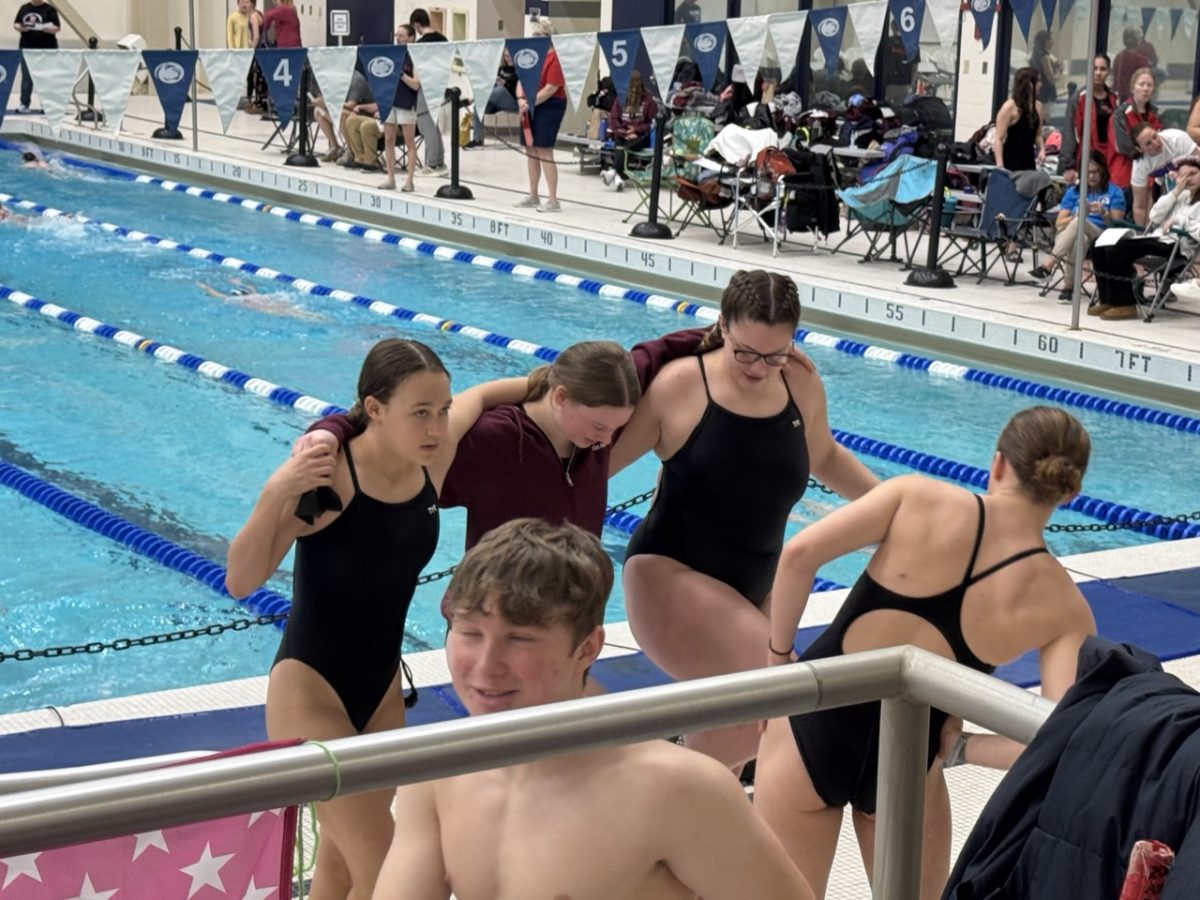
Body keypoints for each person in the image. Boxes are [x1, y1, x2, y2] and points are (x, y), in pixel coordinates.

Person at [226, 338, 531, 899]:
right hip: (310, 691)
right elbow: (241, 580)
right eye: (420, 412)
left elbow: (483, 395)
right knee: (388, 869)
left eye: (439, 411)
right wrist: (275, 492)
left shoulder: (430, 460)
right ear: (374, 409)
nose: (436, 426)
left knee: (343, 871)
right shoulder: (329, 477)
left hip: (383, 691)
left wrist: (546, 381)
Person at [373, 517, 818, 900]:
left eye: (520, 639)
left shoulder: (676, 788)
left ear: (587, 649)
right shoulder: (439, 776)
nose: (486, 667)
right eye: (470, 633)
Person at [756, 406, 1097, 900]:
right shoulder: (1063, 606)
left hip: (812, 727)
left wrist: (778, 659)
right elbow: (1058, 738)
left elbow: (798, 556)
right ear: (1071, 493)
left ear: (997, 464)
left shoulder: (915, 496)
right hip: (910, 759)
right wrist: (964, 748)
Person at [613, 270, 878, 768]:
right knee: (784, 702)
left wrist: (897, 506)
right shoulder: (681, 386)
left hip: (757, 586)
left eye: (774, 354)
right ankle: (679, 823)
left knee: (742, 728)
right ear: (722, 326)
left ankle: (676, 824)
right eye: (746, 352)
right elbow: (599, 464)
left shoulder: (799, 380)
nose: (759, 368)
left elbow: (822, 456)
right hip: (669, 578)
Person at [294, 335, 715, 549]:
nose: (607, 441)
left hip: (571, 622)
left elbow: (655, 351)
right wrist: (330, 431)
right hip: (497, 631)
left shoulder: (605, 402)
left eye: (613, 429)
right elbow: (390, 431)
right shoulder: (490, 439)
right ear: (562, 397)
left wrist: (730, 340)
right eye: (601, 427)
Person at [1090, 156, 1200, 320]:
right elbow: (1154, 216)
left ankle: (1125, 304)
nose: (1188, 179)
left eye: (1193, 174)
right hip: (1158, 239)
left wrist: (1179, 220)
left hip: (1178, 246)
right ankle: (1108, 300)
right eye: (1183, 175)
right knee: (1098, 244)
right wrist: (1175, 192)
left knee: (1118, 248)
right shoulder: (1180, 196)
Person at [1029, 151, 1126, 300]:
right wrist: (1076, 216)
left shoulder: (1114, 192)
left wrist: (1104, 213)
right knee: (1079, 237)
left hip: (1101, 235)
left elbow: (1117, 225)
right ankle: (1069, 289)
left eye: (1095, 172)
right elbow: (1059, 222)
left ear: (1103, 171)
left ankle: (1049, 264)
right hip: (1075, 234)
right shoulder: (1074, 192)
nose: (1091, 176)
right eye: (1087, 173)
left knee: (1080, 223)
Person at [514, 17, 568, 213]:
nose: (535, 38)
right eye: (533, 34)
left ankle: (553, 199)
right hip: (529, 104)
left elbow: (551, 88)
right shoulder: (531, 56)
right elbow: (520, 79)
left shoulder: (555, 58)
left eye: (539, 34)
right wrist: (521, 99)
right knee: (531, 149)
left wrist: (528, 103)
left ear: (549, 37)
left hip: (550, 105)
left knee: (544, 150)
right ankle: (533, 195)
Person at [1059, 55, 1116, 184]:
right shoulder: (1079, 98)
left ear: (1108, 72)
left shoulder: (1114, 98)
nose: (1098, 73)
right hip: (1086, 157)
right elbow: (1069, 130)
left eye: (1103, 69)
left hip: (1109, 158)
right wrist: (1069, 165)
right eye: (1094, 68)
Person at [1129, 124, 1198, 225]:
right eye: (1148, 143)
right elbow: (1139, 206)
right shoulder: (1140, 165)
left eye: (1155, 136)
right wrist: (1141, 235)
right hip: (1165, 182)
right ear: (1140, 149)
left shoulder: (1177, 138)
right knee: (1161, 212)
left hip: (1194, 175)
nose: (1156, 143)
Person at [380, 23, 420, 192]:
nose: (398, 38)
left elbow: (416, 85)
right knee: (389, 140)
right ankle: (391, 179)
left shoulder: (415, 56)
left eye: (402, 35)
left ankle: (409, 181)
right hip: (389, 101)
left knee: (409, 142)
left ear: (411, 37)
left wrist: (400, 74)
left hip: (406, 103)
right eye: (397, 35)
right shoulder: (391, 54)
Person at [601, 70, 657, 189]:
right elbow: (614, 120)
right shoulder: (620, 99)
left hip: (640, 136)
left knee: (623, 145)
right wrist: (624, 132)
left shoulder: (649, 101)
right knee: (620, 141)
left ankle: (614, 173)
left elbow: (651, 124)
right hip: (623, 133)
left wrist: (636, 129)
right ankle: (619, 176)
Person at [409, 8, 448, 177]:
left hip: (426, 86)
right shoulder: (443, 39)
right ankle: (439, 160)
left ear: (417, 25)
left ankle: (432, 163)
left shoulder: (420, 45)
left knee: (427, 125)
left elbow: (418, 70)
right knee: (434, 123)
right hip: (440, 85)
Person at [1111, 67, 1163, 193]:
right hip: (1124, 176)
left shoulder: (1154, 114)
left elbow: (1160, 144)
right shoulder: (1120, 114)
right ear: (1132, 87)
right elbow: (1121, 146)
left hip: (1149, 177)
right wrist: (1150, 150)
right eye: (1141, 84)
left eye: (1149, 85)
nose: (1145, 89)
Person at [13, 0, 61, 114]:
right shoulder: (24, 8)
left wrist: (46, 28)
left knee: (45, 77)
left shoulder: (49, 10)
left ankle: (46, 105)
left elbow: (57, 27)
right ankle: (24, 104)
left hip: (46, 48)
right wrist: (21, 28)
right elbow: (16, 23)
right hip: (27, 47)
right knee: (26, 77)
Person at [994, 67, 1045, 172]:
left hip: (1029, 162)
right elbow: (998, 138)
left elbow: (1038, 134)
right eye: (1038, 81)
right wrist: (1000, 166)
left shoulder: (1038, 107)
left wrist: (1042, 149)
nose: (1041, 85)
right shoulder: (1009, 107)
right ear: (1030, 85)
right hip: (1011, 163)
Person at [468, 50, 519, 148]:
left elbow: (519, 88)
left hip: (513, 101)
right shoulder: (501, 69)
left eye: (510, 56)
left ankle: (472, 99)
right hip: (496, 101)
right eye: (506, 56)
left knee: (499, 89)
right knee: (478, 107)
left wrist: (505, 83)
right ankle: (477, 139)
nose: (508, 59)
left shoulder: (520, 70)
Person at [1112, 26, 1152, 106]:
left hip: (1120, 95)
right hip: (1134, 97)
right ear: (1136, 40)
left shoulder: (1119, 56)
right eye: (1140, 39)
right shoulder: (1140, 59)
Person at [881, 18, 918, 103]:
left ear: (892, 27)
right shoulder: (912, 44)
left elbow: (881, 63)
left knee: (888, 109)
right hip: (905, 84)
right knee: (902, 109)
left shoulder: (885, 42)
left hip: (888, 84)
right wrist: (912, 84)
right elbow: (915, 67)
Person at [1029, 30, 1061, 106]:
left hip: (1039, 93)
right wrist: (1059, 71)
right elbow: (1051, 78)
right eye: (1050, 39)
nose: (1052, 42)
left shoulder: (1036, 55)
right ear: (1045, 42)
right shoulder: (1045, 57)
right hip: (1045, 94)